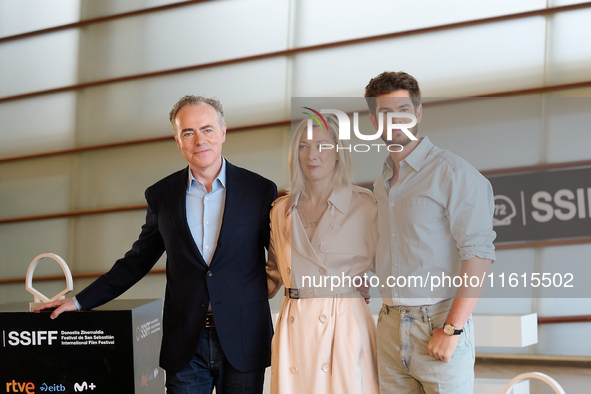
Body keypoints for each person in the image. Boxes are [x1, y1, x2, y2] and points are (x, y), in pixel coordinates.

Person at [36, 95, 277, 394]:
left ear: (223, 132)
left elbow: (284, 255)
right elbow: (136, 261)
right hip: (186, 341)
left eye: (207, 129)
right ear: (177, 140)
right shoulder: (162, 195)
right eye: (188, 132)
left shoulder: (260, 190)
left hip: (244, 337)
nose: (199, 140)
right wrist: (79, 301)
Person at [365, 71, 496, 393]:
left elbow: (478, 255)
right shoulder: (381, 184)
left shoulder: (454, 174)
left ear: (418, 113)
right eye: (385, 113)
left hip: (438, 321)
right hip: (389, 324)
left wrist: (452, 329)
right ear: (373, 120)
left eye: (403, 110)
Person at [266, 115, 379, 393]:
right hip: (295, 326)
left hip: (345, 325)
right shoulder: (280, 210)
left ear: (338, 151)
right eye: (303, 146)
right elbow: (271, 276)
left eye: (322, 146)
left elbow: (391, 266)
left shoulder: (365, 205)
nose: (312, 155)